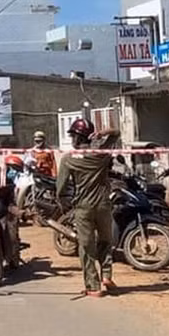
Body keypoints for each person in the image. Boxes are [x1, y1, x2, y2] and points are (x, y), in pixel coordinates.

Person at [56, 118, 120, 297]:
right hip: (103, 204)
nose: (71, 140)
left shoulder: (68, 158)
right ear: (89, 136)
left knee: (86, 246)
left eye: (72, 136)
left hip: (83, 207)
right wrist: (103, 133)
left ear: (77, 137)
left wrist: (62, 202)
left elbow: (60, 187)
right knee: (106, 240)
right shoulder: (101, 153)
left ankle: (93, 286)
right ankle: (106, 275)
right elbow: (117, 133)